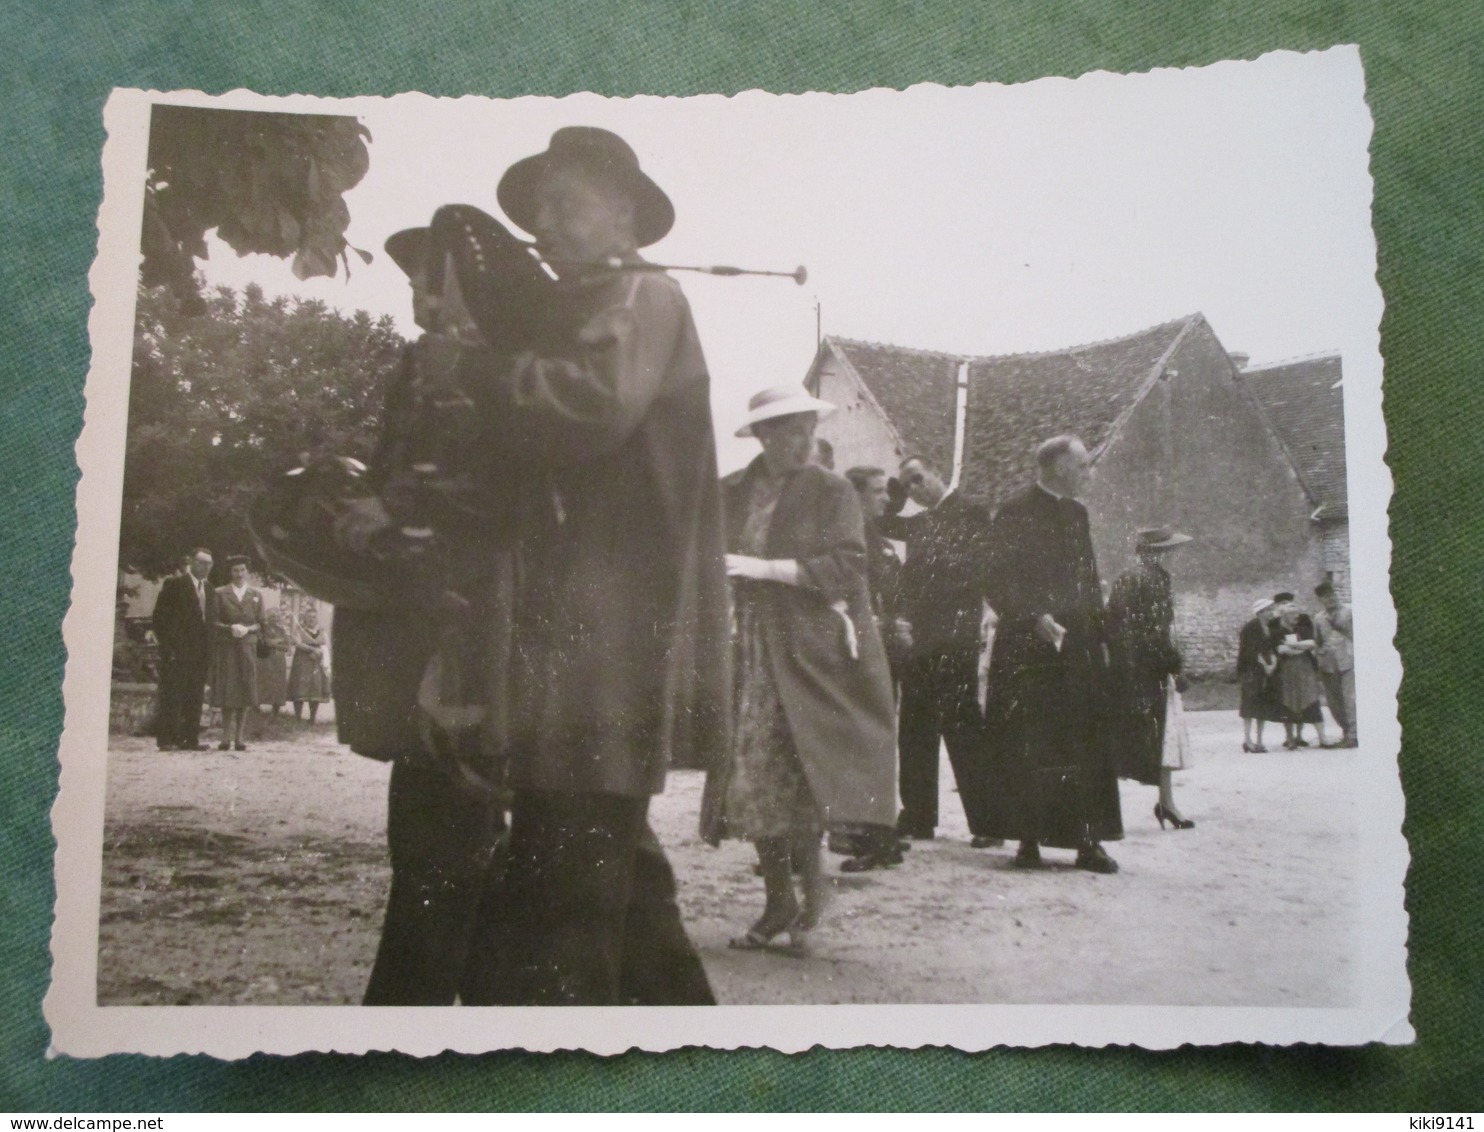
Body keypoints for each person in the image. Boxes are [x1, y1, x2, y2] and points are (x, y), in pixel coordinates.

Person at [439, 126, 728, 1006]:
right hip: (584, 637)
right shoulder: (597, 302)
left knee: (569, 882)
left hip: (610, 645)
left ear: (625, 214)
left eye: (564, 205)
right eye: (535, 210)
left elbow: (591, 406)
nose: (543, 225)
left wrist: (480, 371)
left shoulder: (640, 296)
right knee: (610, 865)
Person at [331, 224, 506, 1007]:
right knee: (432, 850)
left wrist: (391, 507)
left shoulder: (497, 379)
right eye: (414, 286)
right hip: (423, 630)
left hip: (470, 637)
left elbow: (485, 498)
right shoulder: (421, 368)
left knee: (445, 851)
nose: (421, 301)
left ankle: (407, 1035)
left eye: (437, 284)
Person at [705, 390, 897, 952]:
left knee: (803, 772)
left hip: (809, 654)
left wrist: (764, 569)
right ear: (764, 435)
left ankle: (811, 895)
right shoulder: (733, 491)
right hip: (749, 651)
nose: (803, 442)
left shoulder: (832, 491)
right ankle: (777, 901)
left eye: (808, 430)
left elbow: (847, 565)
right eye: (791, 432)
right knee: (756, 777)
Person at [981, 435, 1122, 873]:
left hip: (1074, 643)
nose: (1088, 474)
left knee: (1082, 741)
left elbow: (1088, 578)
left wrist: (1100, 637)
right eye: (1083, 466)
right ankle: (1027, 840)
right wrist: (1029, 615)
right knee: (1029, 740)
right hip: (1028, 646)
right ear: (1058, 466)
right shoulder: (1013, 511)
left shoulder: (1077, 515)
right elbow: (993, 576)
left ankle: (1088, 841)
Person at [876, 453, 999, 847]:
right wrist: (893, 492)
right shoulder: (919, 523)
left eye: (917, 478)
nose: (914, 488)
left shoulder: (973, 513)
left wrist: (924, 584)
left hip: (954, 636)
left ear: (938, 473)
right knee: (915, 727)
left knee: (963, 727)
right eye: (906, 484)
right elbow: (878, 519)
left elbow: (972, 570)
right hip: (920, 639)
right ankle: (918, 816)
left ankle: (989, 824)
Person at [838, 465, 913, 872]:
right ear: (857, 496)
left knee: (876, 742)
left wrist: (898, 622)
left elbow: (893, 592)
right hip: (858, 652)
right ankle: (870, 837)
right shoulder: (851, 540)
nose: (888, 499)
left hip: (885, 651)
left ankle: (878, 836)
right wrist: (888, 624)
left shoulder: (877, 540)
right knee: (862, 743)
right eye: (879, 492)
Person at [1106, 527, 1195, 829]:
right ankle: (1155, 804)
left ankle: (1166, 803)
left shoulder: (1129, 578)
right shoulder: (1152, 581)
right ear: (1158, 552)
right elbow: (1152, 631)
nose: (1175, 556)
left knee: (1155, 735)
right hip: (1147, 670)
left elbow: (1112, 624)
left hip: (1128, 669)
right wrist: (1173, 665)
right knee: (1149, 735)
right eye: (1170, 551)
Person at [151, 547, 214, 751]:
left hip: (200, 654)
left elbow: (209, 622)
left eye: (209, 564)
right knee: (172, 695)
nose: (205, 567)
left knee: (194, 696)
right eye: (201, 562)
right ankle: (167, 739)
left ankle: (190, 739)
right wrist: (169, 648)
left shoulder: (210, 590)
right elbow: (160, 618)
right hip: (177, 652)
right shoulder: (175, 585)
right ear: (192, 563)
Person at [210, 555, 263, 751]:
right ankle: (225, 737)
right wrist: (230, 627)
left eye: (242, 570)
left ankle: (240, 737)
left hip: (248, 646)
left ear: (247, 572)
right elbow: (214, 621)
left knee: (245, 688)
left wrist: (248, 629)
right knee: (228, 688)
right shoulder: (220, 593)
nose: (239, 574)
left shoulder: (256, 595)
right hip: (228, 646)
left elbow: (261, 622)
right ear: (230, 573)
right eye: (235, 570)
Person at [1271, 592, 1326, 749]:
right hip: (1286, 671)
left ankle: (1322, 737)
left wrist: (1293, 646)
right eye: (1291, 614)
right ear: (1283, 616)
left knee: (1311, 700)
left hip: (1305, 670)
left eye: (1296, 613)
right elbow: (1281, 650)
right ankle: (1290, 739)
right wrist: (1300, 647)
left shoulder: (1302, 628)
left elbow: (1312, 643)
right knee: (1288, 702)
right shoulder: (1277, 632)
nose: (1296, 616)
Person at [1313, 581, 1357, 747]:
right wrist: (1320, 655)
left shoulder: (1349, 612)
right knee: (1335, 702)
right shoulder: (1319, 618)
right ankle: (1346, 731)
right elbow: (1317, 641)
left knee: (1350, 699)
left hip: (1348, 660)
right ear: (1320, 599)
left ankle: (1354, 735)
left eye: (1332, 595)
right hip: (1329, 664)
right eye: (1325, 597)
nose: (1330, 599)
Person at [1236, 597, 1282, 752]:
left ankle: (1260, 740)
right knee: (1250, 705)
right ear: (1260, 612)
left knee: (1263, 706)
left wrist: (1273, 664)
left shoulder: (1269, 627)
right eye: (1269, 610)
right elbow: (1251, 650)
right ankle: (1247, 740)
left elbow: (1271, 648)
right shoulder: (1251, 627)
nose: (1271, 612)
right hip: (1252, 670)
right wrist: (1265, 665)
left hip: (1265, 671)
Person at [287, 604, 331, 722]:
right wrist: (312, 649)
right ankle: (298, 718)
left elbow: (326, 646)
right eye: (309, 617)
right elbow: (298, 643)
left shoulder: (322, 632)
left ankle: (312, 718)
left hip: (317, 662)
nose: (311, 619)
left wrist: (320, 652)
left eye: (314, 617)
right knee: (300, 688)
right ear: (305, 619)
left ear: (317, 619)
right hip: (302, 662)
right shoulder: (299, 630)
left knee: (316, 688)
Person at [255, 608, 291, 715]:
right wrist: (277, 642)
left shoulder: (281, 630)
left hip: (279, 660)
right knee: (262, 681)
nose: (274, 619)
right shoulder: (261, 629)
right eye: (272, 617)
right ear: (267, 617)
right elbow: (264, 642)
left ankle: (276, 710)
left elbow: (286, 646)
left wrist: (274, 643)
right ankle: (257, 708)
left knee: (278, 683)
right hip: (265, 659)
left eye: (276, 617)